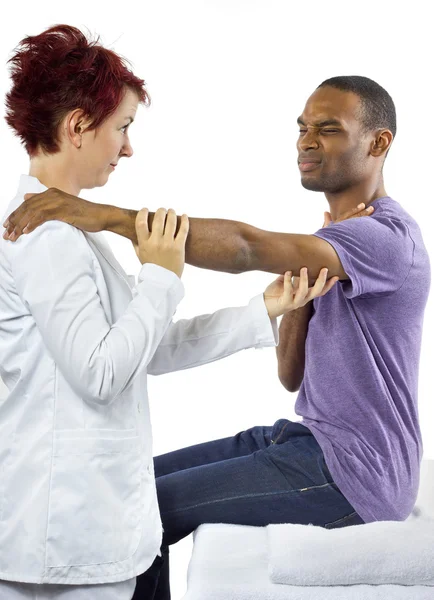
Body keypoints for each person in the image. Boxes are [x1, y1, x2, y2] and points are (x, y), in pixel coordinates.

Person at [8, 74, 431, 600]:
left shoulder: (387, 238)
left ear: (378, 142)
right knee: (134, 486)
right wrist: (298, 303)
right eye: (302, 128)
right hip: (306, 440)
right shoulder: (333, 242)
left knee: (143, 511)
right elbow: (290, 375)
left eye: (328, 129)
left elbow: (246, 247)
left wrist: (101, 216)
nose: (306, 140)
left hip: (355, 474)